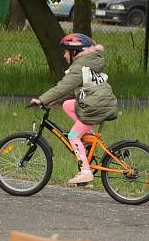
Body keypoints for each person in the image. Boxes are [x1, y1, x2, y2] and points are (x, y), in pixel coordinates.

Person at [30, 33, 118, 185]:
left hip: (95, 106)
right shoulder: (89, 64)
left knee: (72, 136)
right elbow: (71, 91)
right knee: (68, 105)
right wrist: (55, 101)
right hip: (101, 103)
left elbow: (63, 87)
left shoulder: (79, 67)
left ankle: (85, 171)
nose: (64, 55)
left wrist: (42, 99)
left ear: (75, 52)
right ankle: (88, 141)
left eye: (66, 52)